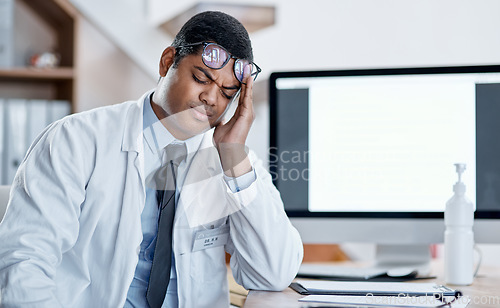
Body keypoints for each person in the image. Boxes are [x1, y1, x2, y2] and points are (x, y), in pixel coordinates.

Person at [0, 11, 303, 308]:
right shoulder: (75, 140)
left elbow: (272, 274)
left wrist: (234, 159)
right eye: (201, 78)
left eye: (226, 92)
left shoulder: (233, 161)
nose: (211, 98)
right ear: (167, 61)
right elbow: (24, 264)